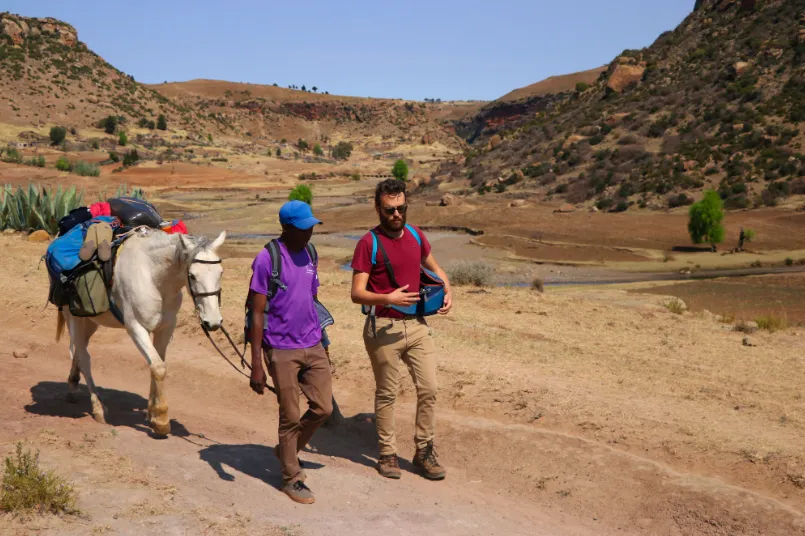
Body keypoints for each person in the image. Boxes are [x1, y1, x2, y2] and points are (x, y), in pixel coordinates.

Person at [350, 178, 453, 481]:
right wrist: (388, 298)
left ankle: (423, 452)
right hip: (383, 327)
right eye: (389, 209)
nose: (396, 214)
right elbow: (356, 293)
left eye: (401, 208)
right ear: (378, 208)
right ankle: (387, 453)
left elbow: (438, 270)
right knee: (387, 393)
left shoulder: (415, 235)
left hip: (417, 326)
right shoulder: (368, 243)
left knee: (430, 388)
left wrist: (449, 292)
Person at [248, 200, 332, 504]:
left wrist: (323, 340)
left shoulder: (310, 252)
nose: (310, 231)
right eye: (304, 227)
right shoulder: (267, 258)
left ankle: (287, 451)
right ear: (287, 228)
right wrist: (257, 363)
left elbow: (311, 299)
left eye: (311, 225)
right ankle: (291, 478)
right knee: (290, 415)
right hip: (280, 348)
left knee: (324, 408)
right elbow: (257, 313)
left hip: (312, 342)